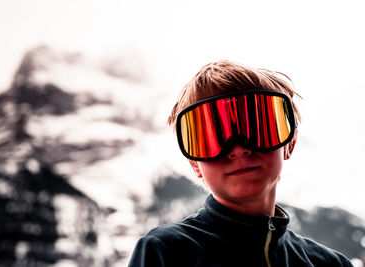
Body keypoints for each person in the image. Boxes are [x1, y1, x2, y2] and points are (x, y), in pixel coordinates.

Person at [128, 60, 353, 266]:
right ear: (194, 164)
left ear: (290, 143)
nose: (239, 149)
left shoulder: (330, 264)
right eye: (213, 139)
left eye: (258, 128)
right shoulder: (167, 252)